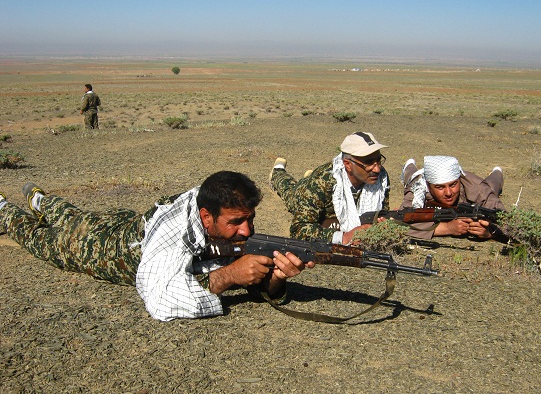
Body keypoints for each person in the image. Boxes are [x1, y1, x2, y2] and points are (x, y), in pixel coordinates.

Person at [0, 172, 312, 321]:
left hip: (120, 221)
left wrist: (277, 277)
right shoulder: (176, 230)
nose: (247, 230)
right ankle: (5, 208)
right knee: (38, 237)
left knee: (71, 214)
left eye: (250, 218)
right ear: (206, 216)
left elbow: (259, 287)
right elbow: (161, 297)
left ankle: (40, 200)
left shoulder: (219, 216)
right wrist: (230, 275)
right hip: (93, 247)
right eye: (236, 222)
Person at [269, 131, 390, 244]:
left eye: (378, 160)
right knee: (289, 191)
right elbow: (298, 229)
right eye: (368, 163)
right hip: (307, 191)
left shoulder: (381, 178)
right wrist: (344, 237)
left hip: (327, 208)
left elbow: (381, 213)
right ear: (348, 164)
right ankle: (278, 171)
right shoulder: (322, 182)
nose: (377, 169)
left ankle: (307, 180)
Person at [400, 155, 506, 240]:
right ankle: (409, 165)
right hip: (417, 181)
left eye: (453, 185)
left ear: (459, 179)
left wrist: (490, 232)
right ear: (428, 185)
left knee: (492, 186)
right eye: (440, 187)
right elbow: (399, 223)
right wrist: (447, 228)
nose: (448, 193)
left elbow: (508, 221)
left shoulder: (477, 188)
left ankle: (497, 172)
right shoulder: (418, 190)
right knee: (411, 176)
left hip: (478, 186)